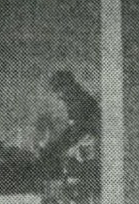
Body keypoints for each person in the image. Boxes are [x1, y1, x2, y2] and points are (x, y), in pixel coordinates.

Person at [36, 69, 101, 197]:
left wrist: (65, 146)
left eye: (59, 91)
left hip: (92, 138)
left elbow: (81, 128)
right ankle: (54, 194)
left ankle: (55, 195)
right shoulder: (75, 98)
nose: (59, 96)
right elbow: (73, 127)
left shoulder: (81, 101)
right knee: (50, 150)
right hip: (82, 135)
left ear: (67, 86)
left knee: (51, 152)